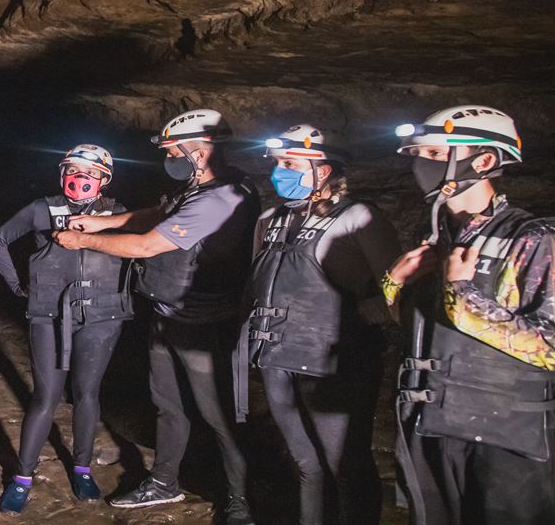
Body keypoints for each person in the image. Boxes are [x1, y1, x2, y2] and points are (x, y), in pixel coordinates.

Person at [56, 109, 258, 525]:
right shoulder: (199, 185)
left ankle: (241, 500)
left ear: (199, 151)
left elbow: (148, 245)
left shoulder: (222, 197)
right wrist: (101, 222)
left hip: (205, 324)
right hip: (169, 313)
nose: (168, 158)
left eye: (172, 150)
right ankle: (164, 481)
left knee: (219, 415)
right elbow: (158, 213)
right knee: (168, 405)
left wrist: (83, 241)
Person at [386, 105, 555, 525]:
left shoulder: (533, 239)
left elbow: (550, 346)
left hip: (506, 439)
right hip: (433, 422)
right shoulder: (435, 239)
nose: (421, 165)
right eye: (419, 155)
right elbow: (413, 331)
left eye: (437, 156)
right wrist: (394, 283)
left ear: (482, 161)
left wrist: (462, 294)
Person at [242, 125, 398, 525]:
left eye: (289, 163)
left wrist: (362, 316)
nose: (279, 171)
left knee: (345, 465)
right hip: (277, 358)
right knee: (303, 462)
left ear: (323, 170)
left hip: (335, 366)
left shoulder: (357, 218)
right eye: (277, 163)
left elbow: (398, 290)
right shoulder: (270, 219)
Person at [0, 144, 131, 514]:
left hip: (101, 315)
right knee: (46, 397)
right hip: (48, 314)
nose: (81, 178)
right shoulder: (42, 209)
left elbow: (148, 245)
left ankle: (82, 469)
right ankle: (22, 478)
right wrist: (20, 288)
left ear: (105, 178)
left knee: (87, 393)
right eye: (74, 169)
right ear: (62, 173)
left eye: (91, 171)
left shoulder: (117, 214)